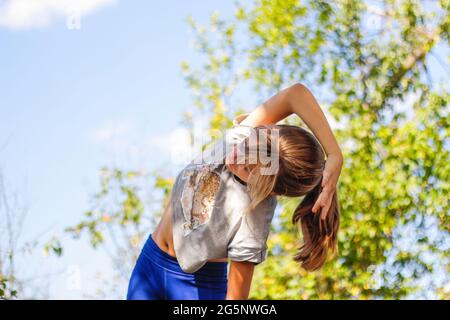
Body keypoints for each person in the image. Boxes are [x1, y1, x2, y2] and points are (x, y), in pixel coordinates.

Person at [126, 83, 344, 300]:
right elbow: (296, 94)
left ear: (267, 190)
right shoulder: (240, 139)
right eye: (251, 141)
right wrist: (334, 153)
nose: (237, 156)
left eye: (249, 168)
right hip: (149, 265)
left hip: (196, 291)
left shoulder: (253, 219)